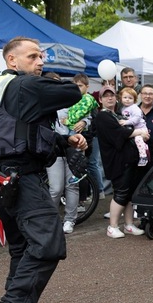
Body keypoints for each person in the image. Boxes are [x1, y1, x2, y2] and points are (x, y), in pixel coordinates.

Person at [0, 36, 85, 303]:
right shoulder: (24, 85)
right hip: (21, 179)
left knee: (21, 247)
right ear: (12, 60)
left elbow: (19, 132)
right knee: (48, 243)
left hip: (1, 178)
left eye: (41, 57)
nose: (40, 62)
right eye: (33, 56)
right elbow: (72, 92)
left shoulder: (0, 89)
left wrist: (63, 141)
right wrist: (62, 84)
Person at [95, 86, 149, 238]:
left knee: (130, 194)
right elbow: (119, 134)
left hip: (129, 160)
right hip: (117, 162)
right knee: (121, 193)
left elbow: (130, 128)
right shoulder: (102, 116)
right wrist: (139, 132)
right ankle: (112, 226)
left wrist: (140, 133)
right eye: (105, 96)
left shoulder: (119, 114)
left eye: (112, 95)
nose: (109, 98)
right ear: (100, 100)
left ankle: (129, 225)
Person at [48, 73, 91, 234]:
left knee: (72, 185)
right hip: (55, 150)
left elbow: (88, 115)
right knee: (56, 188)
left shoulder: (71, 99)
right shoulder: (44, 103)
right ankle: (51, 220)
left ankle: (69, 220)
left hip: (74, 148)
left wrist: (84, 122)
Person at [118, 87, 150, 167]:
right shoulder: (122, 108)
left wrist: (126, 122)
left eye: (130, 98)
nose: (127, 100)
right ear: (121, 98)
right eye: (125, 97)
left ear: (134, 100)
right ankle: (144, 147)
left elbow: (137, 118)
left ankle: (143, 156)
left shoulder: (135, 108)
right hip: (134, 130)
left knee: (138, 139)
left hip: (141, 129)